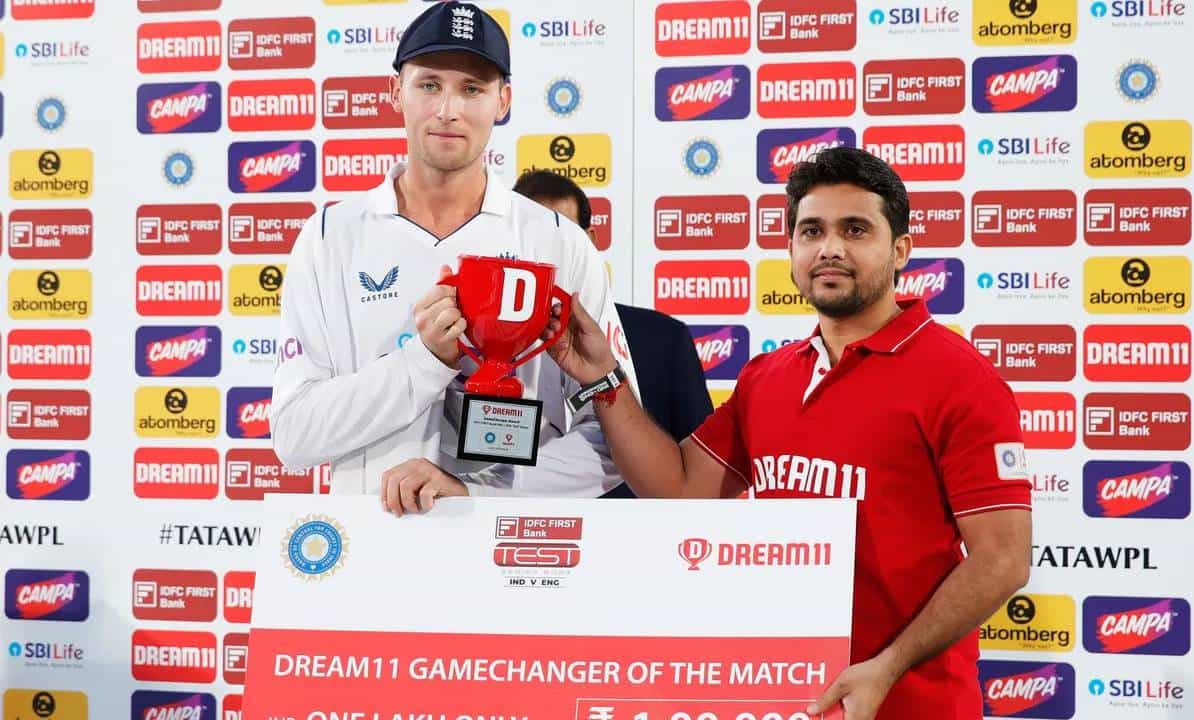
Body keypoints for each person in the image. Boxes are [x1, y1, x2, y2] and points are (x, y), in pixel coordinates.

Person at [541, 147, 1033, 720]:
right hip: (788, 699)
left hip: (912, 705)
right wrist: (604, 378)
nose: (830, 248)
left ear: (900, 250)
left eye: (855, 230)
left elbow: (1003, 558)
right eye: (812, 231)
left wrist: (888, 666)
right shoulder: (768, 378)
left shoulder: (960, 377)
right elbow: (678, 489)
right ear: (792, 248)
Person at [270, 1, 637, 514]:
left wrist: (476, 496)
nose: (448, 110)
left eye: (472, 89)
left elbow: (612, 438)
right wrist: (423, 363)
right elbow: (293, 433)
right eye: (429, 84)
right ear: (394, 91)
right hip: (372, 543)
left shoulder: (559, 242)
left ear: (503, 100)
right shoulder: (331, 237)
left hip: (506, 547)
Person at [512, 169, 713, 498]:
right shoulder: (485, 343)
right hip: (511, 522)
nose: (548, 255)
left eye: (564, 238)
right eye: (533, 239)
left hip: (631, 528)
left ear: (590, 241)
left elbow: (698, 472)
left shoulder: (663, 339)